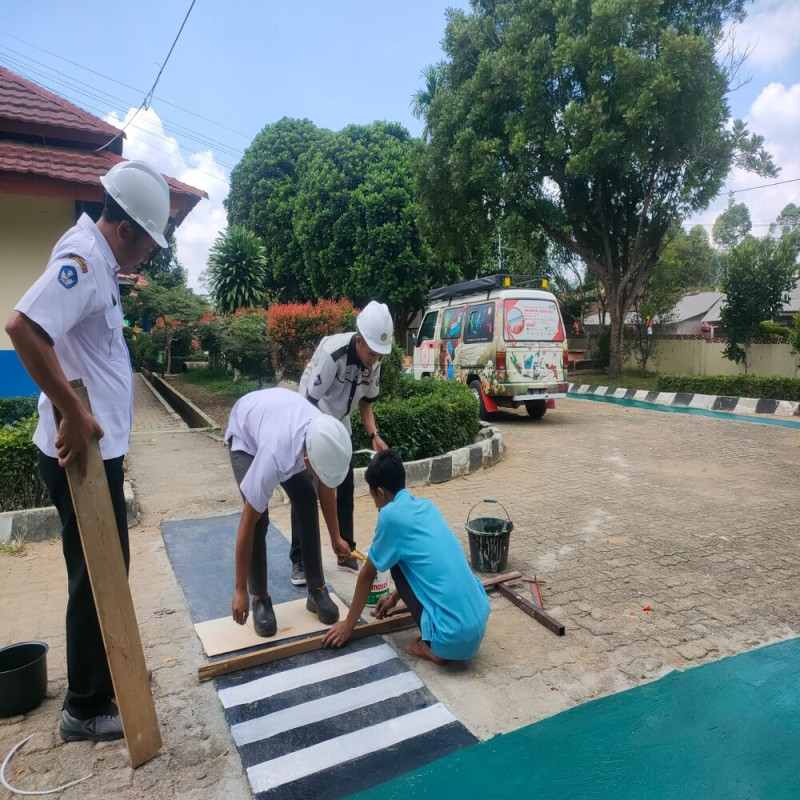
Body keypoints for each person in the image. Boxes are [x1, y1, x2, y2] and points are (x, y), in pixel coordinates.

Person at [4, 160, 171, 743]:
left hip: (98, 453)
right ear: (125, 228)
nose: (147, 257)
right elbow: (23, 328)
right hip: (80, 454)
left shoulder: (101, 263)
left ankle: (107, 676)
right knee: (93, 577)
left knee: (106, 570)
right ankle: (84, 706)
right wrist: (73, 412)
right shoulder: (81, 261)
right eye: (148, 244)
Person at [323, 450, 491, 665]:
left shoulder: (389, 516)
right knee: (401, 560)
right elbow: (426, 566)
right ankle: (440, 637)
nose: (374, 504)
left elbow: (367, 574)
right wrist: (394, 598)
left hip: (453, 638)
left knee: (394, 566)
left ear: (380, 492)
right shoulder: (427, 507)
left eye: (373, 496)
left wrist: (348, 625)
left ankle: (433, 649)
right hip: (476, 623)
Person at [225, 387, 353, 636]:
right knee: (259, 519)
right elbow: (246, 522)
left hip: (280, 420)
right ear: (306, 461)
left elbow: (325, 489)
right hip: (246, 433)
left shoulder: (325, 435)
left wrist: (336, 537)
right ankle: (259, 597)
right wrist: (240, 589)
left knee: (306, 498)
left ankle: (316, 589)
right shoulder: (274, 457)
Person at [292, 301, 394, 586]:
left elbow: (365, 403)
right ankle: (299, 559)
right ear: (359, 340)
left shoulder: (373, 364)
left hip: (340, 423)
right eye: (371, 353)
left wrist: (374, 435)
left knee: (345, 485)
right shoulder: (332, 353)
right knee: (306, 489)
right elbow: (308, 402)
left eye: (378, 355)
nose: (374, 360)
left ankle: (344, 548)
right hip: (313, 417)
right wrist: (306, 451)